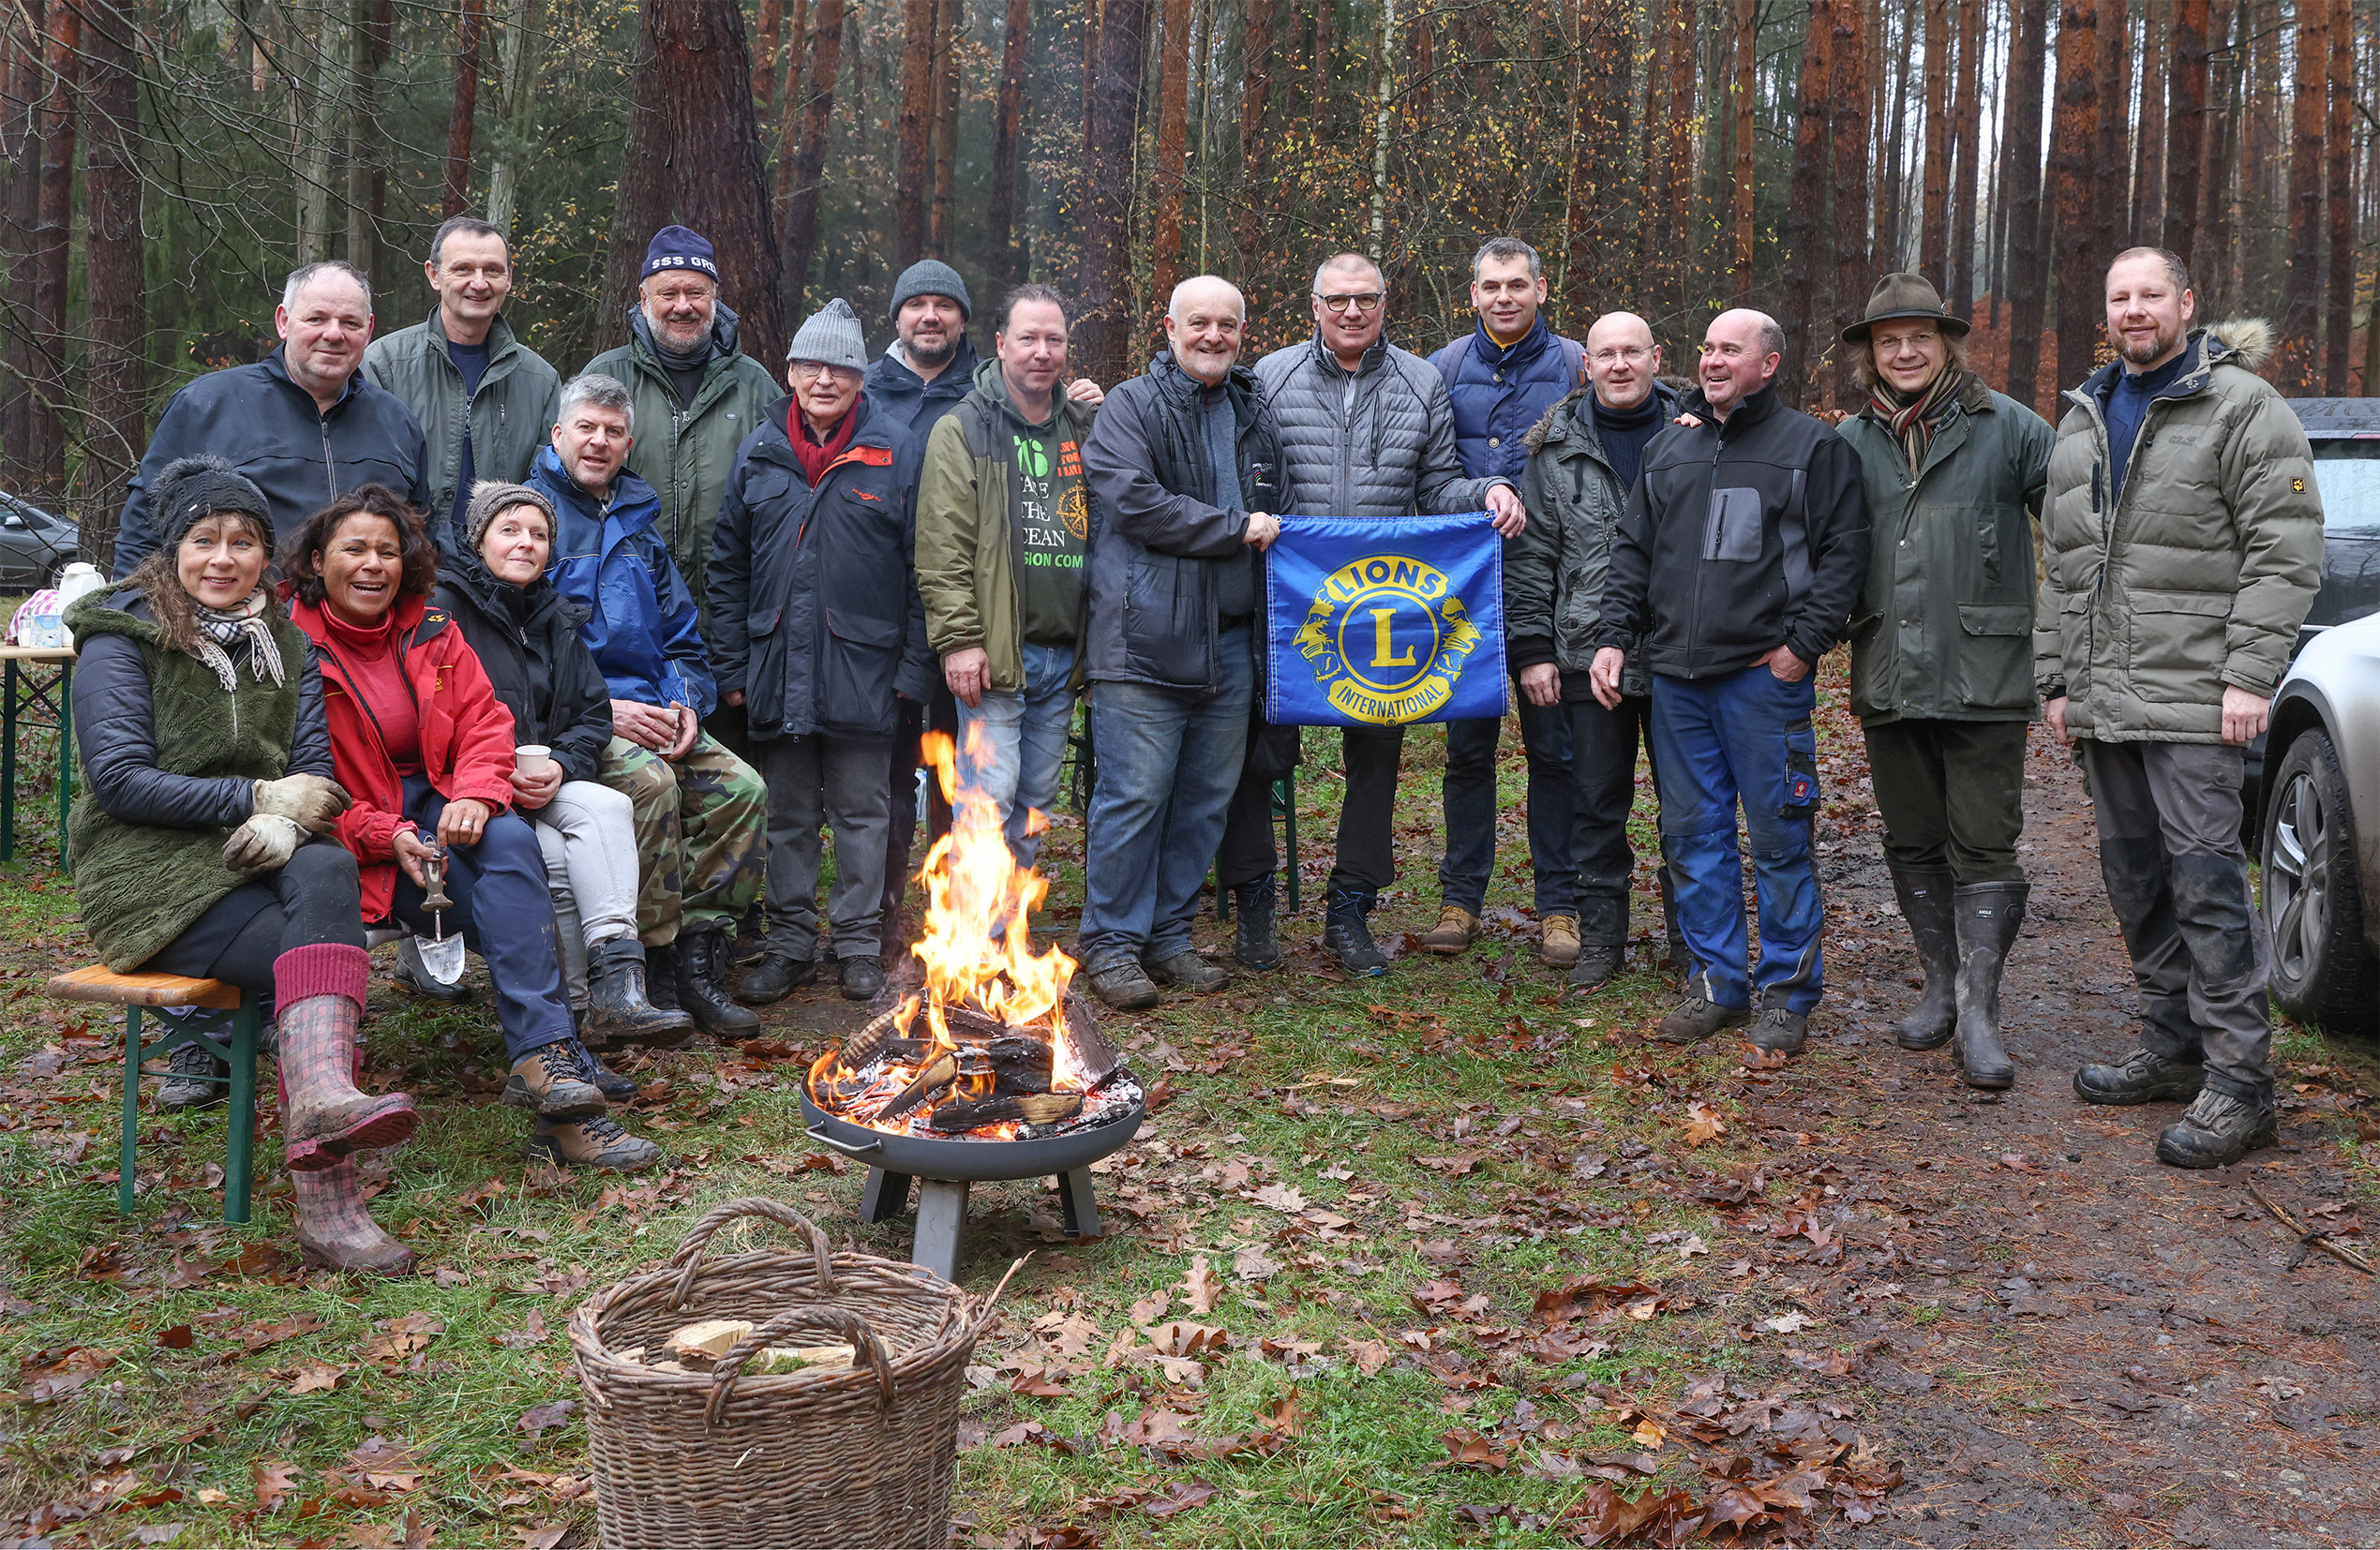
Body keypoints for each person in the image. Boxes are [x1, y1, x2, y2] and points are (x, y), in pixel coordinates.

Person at [68, 455, 418, 1274]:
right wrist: (258, 798)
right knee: (326, 960)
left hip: (261, 860)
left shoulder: (286, 646)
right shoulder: (121, 640)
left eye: (243, 541)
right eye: (203, 540)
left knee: (329, 875)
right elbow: (120, 783)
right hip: (147, 877)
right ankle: (329, 1201)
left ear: (267, 555)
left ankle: (325, 1107)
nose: (223, 559)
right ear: (172, 550)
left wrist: (293, 824)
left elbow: (315, 776)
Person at [284, 485, 658, 1172]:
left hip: (442, 795)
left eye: (388, 551)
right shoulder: (291, 646)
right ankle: (554, 1068)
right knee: (503, 895)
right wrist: (380, 833)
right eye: (354, 549)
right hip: (355, 838)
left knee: (512, 841)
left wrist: (481, 796)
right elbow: (303, 783)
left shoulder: (430, 626)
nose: (373, 565)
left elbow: (487, 725)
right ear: (315, 559)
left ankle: (544, 1065)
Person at [2047, 248, 2323, 1168]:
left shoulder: (2242, 407)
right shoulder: (2084, 415)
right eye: (2118, 295)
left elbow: (2284, 551)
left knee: (2206, 890)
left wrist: (2250, 674)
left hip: (2199, 700)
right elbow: (2063, 564)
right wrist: (2057, 679)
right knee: (2135, 882)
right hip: (2105, 700)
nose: (2134, 309)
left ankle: (2240, 1086)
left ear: (2186, 304)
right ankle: (2171, 1048)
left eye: (2149, 295)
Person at [1238, 251, 1525, 977]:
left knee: (1377, 761)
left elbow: (1436, 485)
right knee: (1257, 757)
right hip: (1287, 601)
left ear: (1383, 303)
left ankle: (1350, 908)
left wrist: (1485, 490)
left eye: (1364, 299)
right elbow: (1238, 467)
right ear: (1313, 305)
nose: (1351, 312)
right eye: (1336, 300)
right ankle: (1255, 906)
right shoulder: (1268, 377)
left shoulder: (1420, 381)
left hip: (1379, 606)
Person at [1592, 309, 1869, 1054]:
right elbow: (1630, 553)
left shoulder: (1810, 448)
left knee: (1779, 840)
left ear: (1768, 364)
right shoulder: (1667, 451)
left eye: (1729, 350)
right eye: (1706, 348)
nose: (1711, 360)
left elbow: (1844, 557)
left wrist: (1799, 649)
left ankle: (1786, 992)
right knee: (1693, 837)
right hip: (1678, 685)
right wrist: (1615, 638)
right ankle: (1717, 984)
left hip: (1761, 684)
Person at [1834, 275, 2056, 1090]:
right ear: (1869, 354)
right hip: (1889, 668)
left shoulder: (2009, 428)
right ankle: (1937, 985)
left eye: (1918, 338)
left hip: (1985, 673)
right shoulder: (1849, 442)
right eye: (1887, 341)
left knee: (1984, 841)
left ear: (1945, 343)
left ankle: (1981, 1008)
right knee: (1911, 838)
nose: (1903, 352)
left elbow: (2074, 527)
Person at [528, 373, 768, 1036]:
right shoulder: (531, 519)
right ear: (558, 434)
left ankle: (700, 957)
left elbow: (683, 637)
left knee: (740, 789)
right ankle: (640, 968)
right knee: (649, 785)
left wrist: (687, 702)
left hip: (656, 710)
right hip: (579, 718)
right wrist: (605, 709)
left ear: (628, 443)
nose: (598, 441)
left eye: (611, 431)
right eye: (585, 427)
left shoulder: (639, 519)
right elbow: (525, 654)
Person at [710, 300, 933, 1004]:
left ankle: (859, 946)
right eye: (811, 366)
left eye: (839, 367)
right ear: (791, 371)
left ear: (860, 376)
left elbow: (925, 569)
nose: (824, 379)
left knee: (866, 813)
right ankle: (788, 943)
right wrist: (733, 668)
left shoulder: (897, 450)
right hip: (777, 665)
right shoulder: (760, 448)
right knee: (787, 812)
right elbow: (727, 566)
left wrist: (911, 671)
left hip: (866, 670)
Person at [1077, 276, 1283, 1009]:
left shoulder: (1254, 411)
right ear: (1167, 327)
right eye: (1199, 322)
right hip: (1144, 643)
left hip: (1231, 644)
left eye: (1227, 324)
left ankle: (1167, 937)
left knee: (1203, 801)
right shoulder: (1131, 406)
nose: (1213, 336)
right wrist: (1234, 527)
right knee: (1133, 798)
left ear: (1242, 333)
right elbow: (1132, 501)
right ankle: (1110, 944)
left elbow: (1281, 510)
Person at [433, 480, 692, 1063]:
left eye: (540, 534)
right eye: (510, 530)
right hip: (468, 789)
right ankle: (569, 1029)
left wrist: (561, 762)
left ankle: (617, 987)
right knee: (550, 851)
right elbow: (434, 721)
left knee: (609, 805)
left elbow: (592, 713)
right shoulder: (446, 612)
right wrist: (496, 773)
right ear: (479, 541)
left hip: (539, 779)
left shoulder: (552, 614)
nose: (527, 544)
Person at [1507, 310, 1680, 995]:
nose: (1617, 365)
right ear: (1586, 365)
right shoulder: (1552, 452)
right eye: (1604, 354)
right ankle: (1601, 940)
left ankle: (1690, 941)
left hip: (1678, 653)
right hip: (1582, 654)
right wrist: (1532, 648)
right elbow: (1530, 561)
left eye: (1630, 353)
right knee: (1594, 801)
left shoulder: (1698, 435)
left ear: (1654, 357)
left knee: (1686, 806)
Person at [1425, 237, 1586, 967]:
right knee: (1467, 753)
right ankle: (1460, 897)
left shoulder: (1580, 363)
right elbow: (1425, 472)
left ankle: (1560, 905)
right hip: (1461, 590)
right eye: (1490, 286)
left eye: (1517, 284)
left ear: (1541, 289)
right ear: (1472, 295)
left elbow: (1639, 411)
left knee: (1554, 751)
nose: (1503, 298)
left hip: (1551, 588)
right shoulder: (1442, 369)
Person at [915, 283, 1096, 869]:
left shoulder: (1085, 428)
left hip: (1064, 655)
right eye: (1027, 339)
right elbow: (942, 549)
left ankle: (1006, 933)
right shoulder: (962, 428)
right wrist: (960, 640)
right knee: (987, 802)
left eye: (1054, 339)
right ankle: (973, 948)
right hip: (994, 655)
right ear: (999, 344)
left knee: (1035, 805)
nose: (1041, 352)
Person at [114, 262, 429, 576]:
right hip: (246, 620)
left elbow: (420, 543)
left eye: (350, 322)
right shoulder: (206, 405)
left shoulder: (397, 422)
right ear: (284, 321)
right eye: (316, 319)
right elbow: (144, 533)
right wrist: (130, 617)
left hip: (371, 623)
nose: (334, 334)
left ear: (369, 330)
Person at [579, 226, 782, 632]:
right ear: (643, 297)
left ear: (716, 297)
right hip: (625, 616)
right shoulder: (605, 379)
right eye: (668, 294)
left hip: (732, 621)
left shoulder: (755, 386)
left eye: (696, 293)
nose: (683, 306)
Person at [364, 215, 563, 550]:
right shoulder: (384, 365)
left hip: (502, 577)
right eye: (463, 269)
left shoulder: (540, 380)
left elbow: (551, 489)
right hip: (405, 565)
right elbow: (364, 478)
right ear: (433, 274)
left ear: (509, 278)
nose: (480, 283)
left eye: (492, 270)